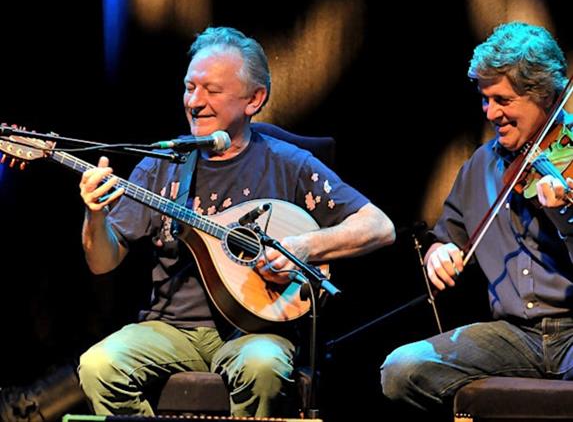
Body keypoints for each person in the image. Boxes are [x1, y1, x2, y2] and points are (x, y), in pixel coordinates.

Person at [77, 26, 395, 418]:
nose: (195, 102)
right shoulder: (162, 165)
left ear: (254, 99)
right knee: (99, 365)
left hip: (258, 333)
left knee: (262, 367)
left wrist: (302, 246)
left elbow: (380, 227)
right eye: (189, 87)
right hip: (169, 329)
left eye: (211, 90)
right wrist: (95, 213)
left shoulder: (289, 164)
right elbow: (101, 262)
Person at [381, 21, 573, 416]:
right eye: (486, 100)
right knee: (402, 370)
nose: (491, 113)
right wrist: (439, 252)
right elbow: (447, 234)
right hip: (514, 335)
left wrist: (565, 218)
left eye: (502, 100)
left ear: (546, 97)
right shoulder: (481, 166)